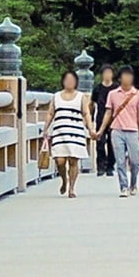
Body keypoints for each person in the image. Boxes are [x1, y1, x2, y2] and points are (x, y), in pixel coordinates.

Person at [102, 66, 139, 197]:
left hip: (132, 130)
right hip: (117, 130)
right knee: (120, 161)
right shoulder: (112, 94)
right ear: (120, 78)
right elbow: (108, 113)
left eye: (129, 75)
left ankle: (133, 184)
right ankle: (123, 186)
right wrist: (101, 130)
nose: (127, 78)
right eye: (124, 75)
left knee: (134, 161)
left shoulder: (138, 94)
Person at [46, 67, 92, 197]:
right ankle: (64, 180)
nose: (69, 82)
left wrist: (90, 128)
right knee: (59, 160)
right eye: (67, 80)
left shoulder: (81, 97)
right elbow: (50, 113)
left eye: (72, 80)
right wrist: (46, 129)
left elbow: (86, 114)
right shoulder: (56, 96)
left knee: (73, 160)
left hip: (75, 131)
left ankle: (71, 188)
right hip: (60, 131)